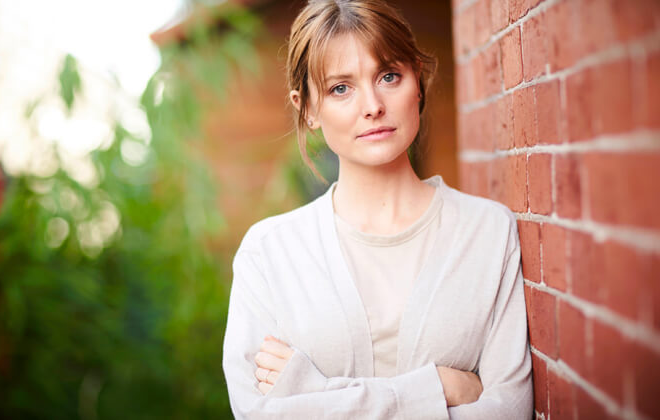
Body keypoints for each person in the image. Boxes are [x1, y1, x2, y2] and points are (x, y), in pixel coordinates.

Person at [222, 0, 533, 418]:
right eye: (340, 88)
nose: (372, 105)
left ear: (417, 81)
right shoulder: (269, 254)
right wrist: (439, 388)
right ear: (308, 108)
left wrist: (311, 391)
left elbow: (509, 411)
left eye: (389, 76)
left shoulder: (488, 232)